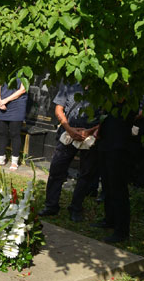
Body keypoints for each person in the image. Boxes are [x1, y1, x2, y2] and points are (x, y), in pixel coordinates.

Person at [38, 82, 100, 223]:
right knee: (56, 169)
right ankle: (51, 205)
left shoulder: (102, 88)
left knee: (85, 173)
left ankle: (76, 208)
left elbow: (105, 117)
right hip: (68, 133)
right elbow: (59, 109)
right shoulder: (70, 84)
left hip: (90, 135)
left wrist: (88, 131)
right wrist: (69, 129)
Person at [96, 103, 135, 243]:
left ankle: (121, 230)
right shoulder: (109, 97)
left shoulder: (131, 97)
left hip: (119, 146)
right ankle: (109, 219)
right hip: (105, 143)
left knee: (118, 188)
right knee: (107, 185)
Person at [0, 78, 27, 170]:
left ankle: (14, 162)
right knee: (2, 133)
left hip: (17, 105)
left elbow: (23, 89)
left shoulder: (23, 70)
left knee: (15, 133)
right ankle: (1, 159)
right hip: (2, 104)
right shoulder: (3, 66)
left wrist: (5, 100)